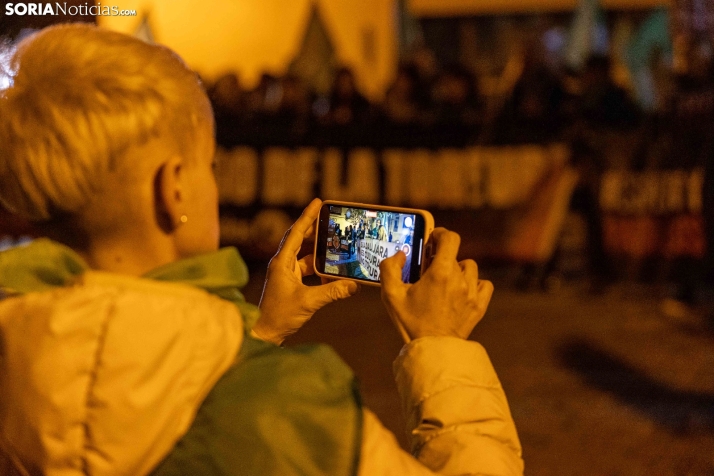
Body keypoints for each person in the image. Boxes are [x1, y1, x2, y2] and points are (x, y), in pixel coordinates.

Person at [0, 25, 523, 476]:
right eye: (210, 165)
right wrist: (439, 345)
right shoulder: (289, 407)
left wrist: (258, 332)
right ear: (173, 186)